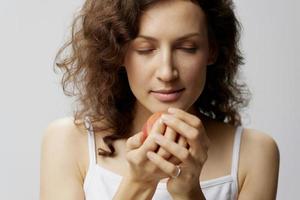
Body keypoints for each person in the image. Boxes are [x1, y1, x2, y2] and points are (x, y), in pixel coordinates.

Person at [40, 0, 280, 199]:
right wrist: (138, 184)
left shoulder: (254, 152)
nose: (167, 72)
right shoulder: (69, 142)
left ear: (212, 50)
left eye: (187, 48)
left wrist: (190, 193)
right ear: (118, 53)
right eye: (145, 49)